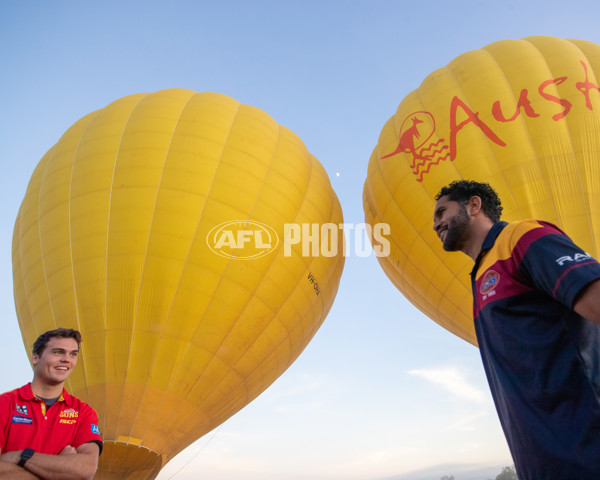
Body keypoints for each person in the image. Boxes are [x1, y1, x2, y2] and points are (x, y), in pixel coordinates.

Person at [433, 180, 600, 480]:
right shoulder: (481, 276)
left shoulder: (521, 238)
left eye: (442, 212)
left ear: (473, 206)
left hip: (587, 449)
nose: (436, 224)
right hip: (544, 463)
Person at [0, 328, 102, 480]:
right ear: (35, 358)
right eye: (58, 352)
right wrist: (61, 471)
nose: (67, 359)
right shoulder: (4, 404)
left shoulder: (84, 413)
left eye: (73, 354)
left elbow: (86, 469)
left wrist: (22, 457)